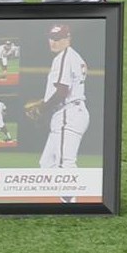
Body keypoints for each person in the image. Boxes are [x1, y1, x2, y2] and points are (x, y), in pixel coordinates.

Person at [37, 23, 90, 171]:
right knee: (47, 164)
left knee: (65, 164)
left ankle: (78, 188)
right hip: (72, 112)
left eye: (58, 39)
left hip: (69, 113)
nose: (53, 42)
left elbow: (62, 91)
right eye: (51, 38)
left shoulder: (64, 57)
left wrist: (43, 108)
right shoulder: (75, 56)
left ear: (68, 38)